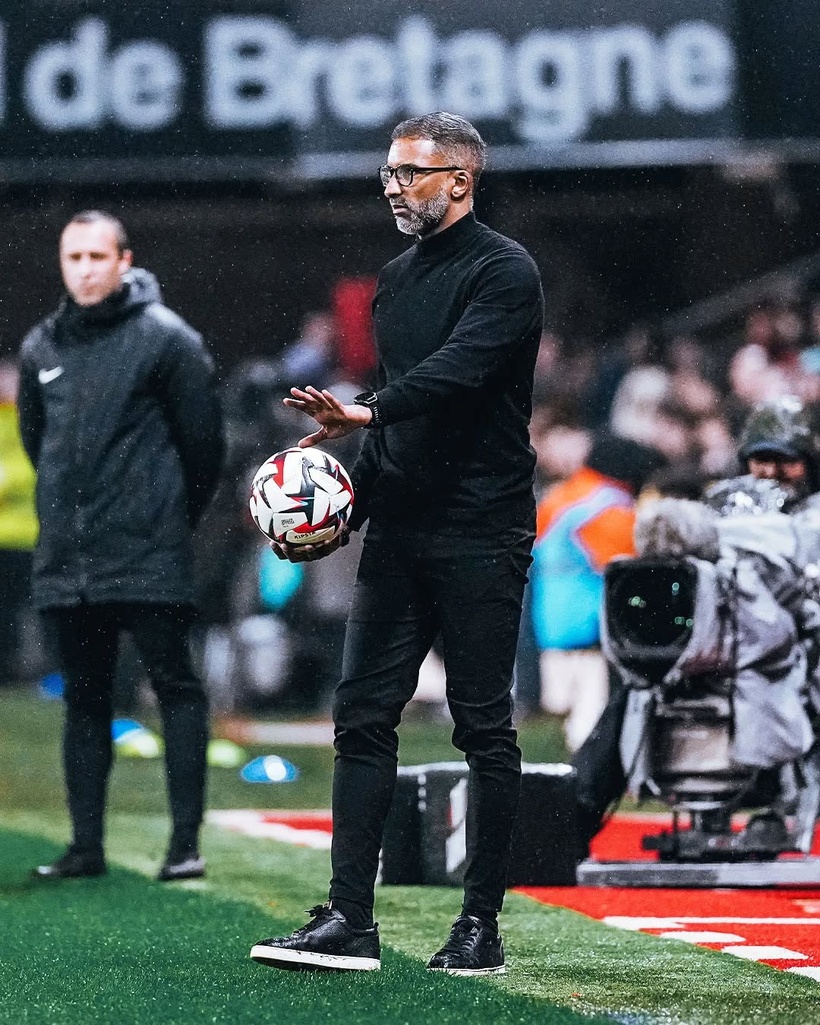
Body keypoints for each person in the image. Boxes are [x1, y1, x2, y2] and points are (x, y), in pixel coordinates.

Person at [249, 112, 544, 975]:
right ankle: (350, 919)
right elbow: (391, 407)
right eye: (387, 170)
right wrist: (343, 508)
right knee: (361, 715)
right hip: (406, 529)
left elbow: (456, 376)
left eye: (409, 171)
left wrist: (367, 413)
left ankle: (480, 926)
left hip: (484, 526)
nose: (391, 184)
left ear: (460, 179)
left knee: (483, 727)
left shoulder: (506, 270)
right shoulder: (395, 276)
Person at [17, 211, 224, 881]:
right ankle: (86, 847)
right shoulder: (40, 347)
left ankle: (184, 845)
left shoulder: (168, 340)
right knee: (84, 697)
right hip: (68, 559)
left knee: (174, 687)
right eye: (72, 257)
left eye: (96, 255)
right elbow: (36, 443)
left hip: (148, 552)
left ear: (124, 259)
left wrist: (165, 518)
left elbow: (205, 449)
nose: (84, 268)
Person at [572, 395, 820, 860]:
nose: (770, 471)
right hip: (721, 646)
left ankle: (778, 805)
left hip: (794, 655)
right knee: (639, 684)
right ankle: (572, 820)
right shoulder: (725, 509)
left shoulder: (812, 519)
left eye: (785, 461)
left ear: (807, 463)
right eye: (761, 459)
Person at [530, 433, 666, 751]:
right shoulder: (607, 507)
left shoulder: (561, 496)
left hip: (551, 613)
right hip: (591, 615)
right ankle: (587, 765)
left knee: (570, 696)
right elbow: (631, 564)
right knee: (594, 697)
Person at [0, 360, 38, 684]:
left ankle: (18, 671)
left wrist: (7, 481)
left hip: (24, 536)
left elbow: (34, 468)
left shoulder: (31, 420)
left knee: (19, 610)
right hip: (4, 535)